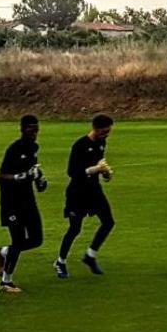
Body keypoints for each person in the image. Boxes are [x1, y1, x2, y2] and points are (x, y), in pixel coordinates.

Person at [54, 114, 116, 279]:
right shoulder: (80, 145)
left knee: (108, 222)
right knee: (75, 229)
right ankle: (60, 261)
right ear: (95, 128)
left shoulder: (101, 143)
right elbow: (72, 172)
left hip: (94, 191)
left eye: (108, 132)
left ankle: (90, 255)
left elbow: (100, 163)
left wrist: (106, 173)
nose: (106, 135)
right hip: (77, 193)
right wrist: (93, 169)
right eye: (104, 132)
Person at [0, 115, 48, 293]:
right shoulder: (14, 149)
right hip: (11, 201)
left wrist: (39, 179)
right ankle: (5, 282)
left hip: (28, 200)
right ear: (23, 129)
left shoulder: (34, 148)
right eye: (31, 130)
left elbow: (33, 170)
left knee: (36, 239)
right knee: (17, 240)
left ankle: (3, 252)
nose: (34, 134)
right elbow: (1, 178)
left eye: (36, 130)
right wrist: (21, 177)